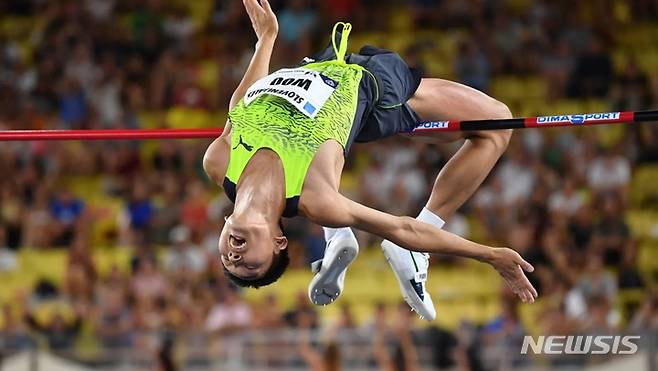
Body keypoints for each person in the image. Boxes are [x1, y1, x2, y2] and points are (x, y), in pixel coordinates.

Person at [203, 0, 538, 320]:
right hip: (374, 89)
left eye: (226, 260)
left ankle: (337, 237)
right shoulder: (316, 200)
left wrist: (266, 40)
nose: (233, 257)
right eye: (248, 265)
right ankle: (371, 241)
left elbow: (241, 104)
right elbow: (401, 228)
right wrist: (490, 255)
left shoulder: (219, 163)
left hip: (318, 67)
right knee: (497, 123)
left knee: (479, 126)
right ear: (279, 242)